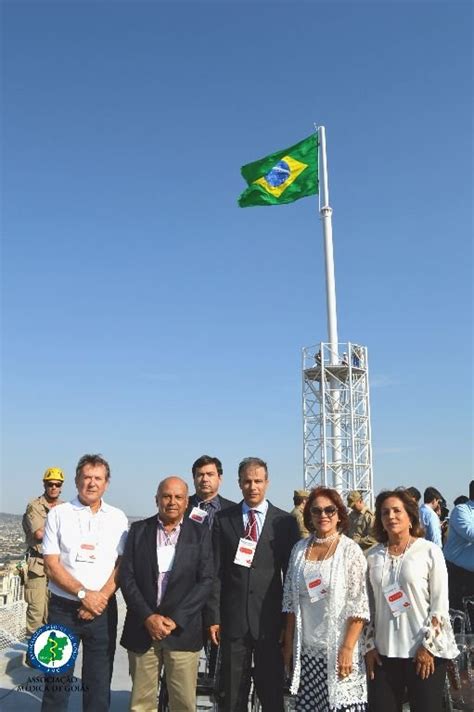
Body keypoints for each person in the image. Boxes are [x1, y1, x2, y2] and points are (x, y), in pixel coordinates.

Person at [207, 457, 299, 711]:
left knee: (270, 691)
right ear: (239, 484)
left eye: (258, 481)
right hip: (233, 620)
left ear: (267, 483)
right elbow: (216, 572)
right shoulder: (224, 519)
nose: (253, 486)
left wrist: (287, 623)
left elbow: (291, 576)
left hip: (270, 623)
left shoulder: (284, 523)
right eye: (247, 481)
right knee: (233, 692)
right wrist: (214, 616)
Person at [41, 454, 128, 712]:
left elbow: (121, 565)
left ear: (107, 483)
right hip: (62, 611)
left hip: (102, 613)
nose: (91, 483)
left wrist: (98, 599)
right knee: (56, 683)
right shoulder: (59, 515)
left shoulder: (118, 518)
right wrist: (83, 594)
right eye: (86, 477)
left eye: (98, 478)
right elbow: (51, 565)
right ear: (77, 480)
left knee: (98, 685)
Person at [120, 476, 213, 712]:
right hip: (143, 630)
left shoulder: (199, 534)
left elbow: (205, 581)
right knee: (141, 704)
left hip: (182, 631)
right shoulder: (139, 531)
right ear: (157, 499)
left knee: (183, 703)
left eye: (178, 497)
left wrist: (175, 619)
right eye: (167, 496)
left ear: (186, 502)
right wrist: (148, 617)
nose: (172, 502)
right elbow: (127, 578)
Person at [365, 489, 458, 712]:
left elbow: (440, 605)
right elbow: (367, 606)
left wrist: (428, 647)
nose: (391, 516)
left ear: (410, 517)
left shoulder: (429, 551)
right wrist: (368, 646)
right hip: (383, 656)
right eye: (385, 512)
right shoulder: (372, 556)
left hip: (423, 655)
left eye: (397, 511)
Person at [283, 487, 370, 712]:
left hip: (339, 650)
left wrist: (347, 649)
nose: (323, 515)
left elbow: (358, 606)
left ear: (340, 514)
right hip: (307, 652)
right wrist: (289, 645)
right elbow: (291, 603)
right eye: (316, 511)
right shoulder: (299, 550)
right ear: (309, 515)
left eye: (330, 510)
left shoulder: (350, 551)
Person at [22, 467, 65, 638]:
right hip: (38, 565)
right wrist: (59, 523)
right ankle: (33, 654)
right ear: (44, 485)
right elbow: (38, 534)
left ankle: (48, 652)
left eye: (57, 484)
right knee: (37, 610)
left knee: (55, 612)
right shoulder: (35, 506)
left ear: (61, 486)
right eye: (50, 484)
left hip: (58, 565)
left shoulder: (65, 507)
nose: (53, 487)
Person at [443, 480, 473, 628]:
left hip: (470, 576)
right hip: (459, 574)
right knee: (460, 620)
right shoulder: (462, 510)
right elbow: (470, 533)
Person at [187, 454, 236, 529]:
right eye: (200, 475)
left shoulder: (234, 510)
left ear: (219, 478)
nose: (205, 479)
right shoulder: (183, 506)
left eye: (210, 474)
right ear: (194, 479)